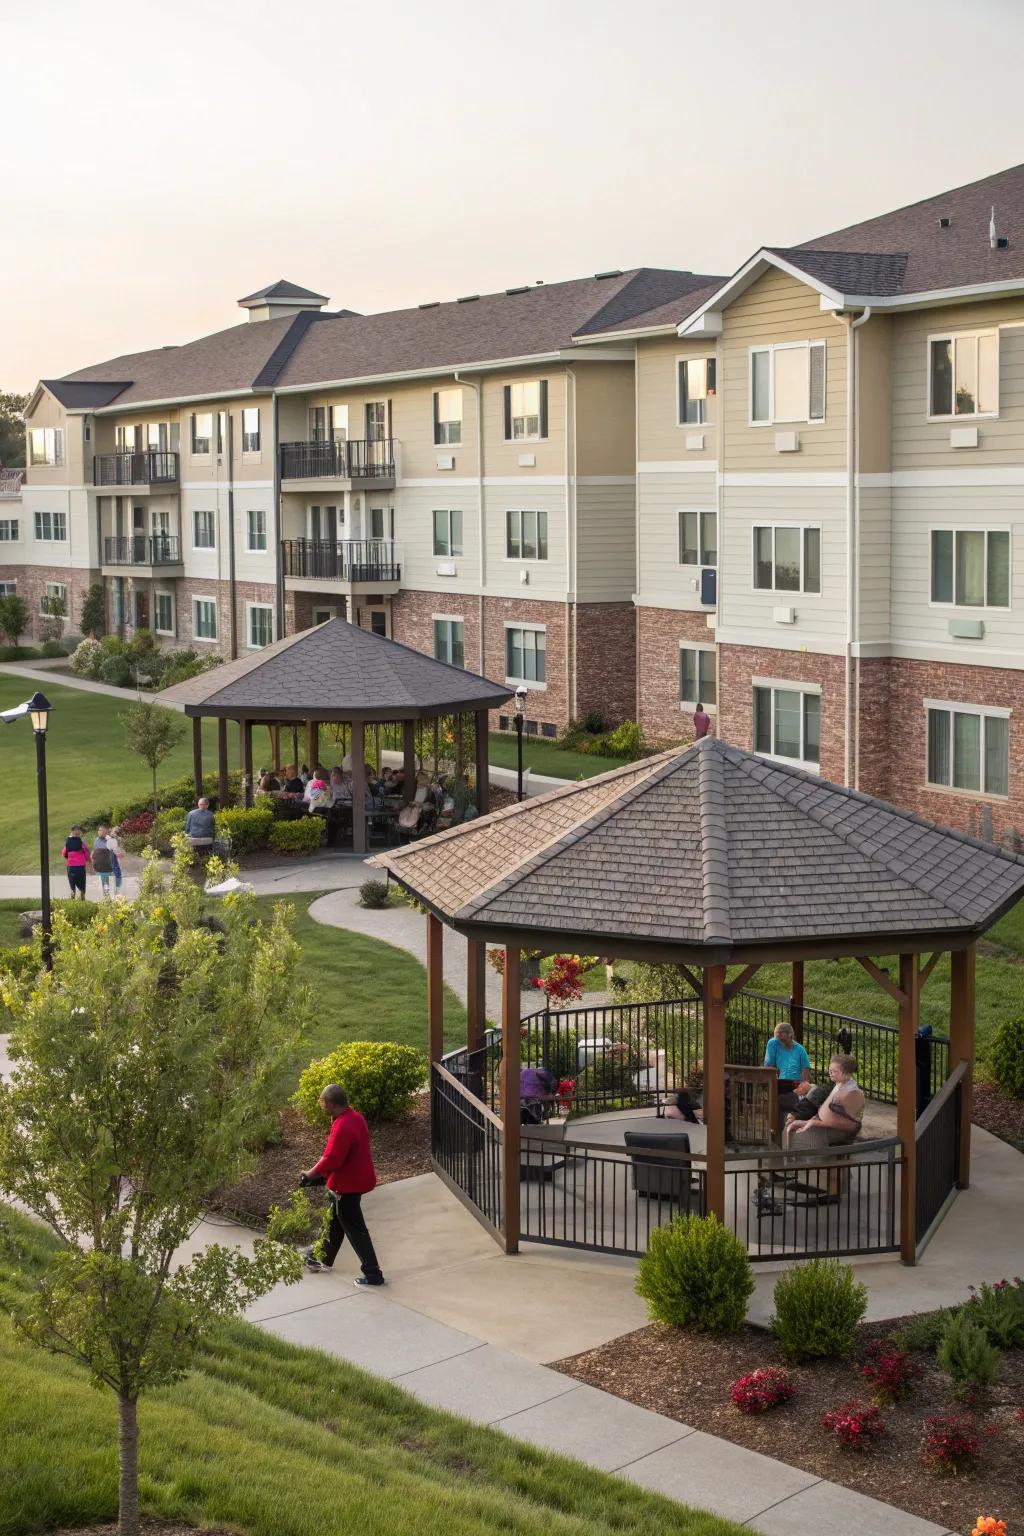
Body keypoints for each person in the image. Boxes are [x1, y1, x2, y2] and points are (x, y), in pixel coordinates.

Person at [300, 1084, 384, 1285]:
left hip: (346, 1187)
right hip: (356, 1180)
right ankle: (322, 1259)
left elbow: (332, 1158)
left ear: (330, 1103)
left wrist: (309, 1174)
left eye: (322, 1102)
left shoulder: (343, 1125)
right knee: (336, 1221)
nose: (321, 1106)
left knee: (356, 1230)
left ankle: (373, 1274)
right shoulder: (355, 1118)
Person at [782, 1054, 864, 1150]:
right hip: (824, 1125)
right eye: (830, 1070)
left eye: (834, 1071)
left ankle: (809, 1163)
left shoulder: (853, 1093)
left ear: (845, 1073)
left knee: (804, 1136)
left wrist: (813, 1123)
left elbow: (853, 1126)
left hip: (837, 1131)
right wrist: (810, 1121)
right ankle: (790, 1160)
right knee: (789, 1127)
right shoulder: (839, 1085)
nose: (830, 1073)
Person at [764, 1022, 812, 1114]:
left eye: (783, 1040)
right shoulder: (773, 1043)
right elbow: (768, 1066)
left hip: (795, 1086)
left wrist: (803, 1088)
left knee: (787, 1100)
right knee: (776, 1094)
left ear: (791, 1036)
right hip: (779, 1084)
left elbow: (806, 1072)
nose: (781, 1043)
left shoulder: (800, 1050)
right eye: (778, 1040)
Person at [62, 826, 90, 899]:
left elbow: (64, 853)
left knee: (72, 884)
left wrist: (69, 857)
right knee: (81, 883)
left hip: (71, 866)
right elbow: (86, 852)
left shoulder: (67, 842)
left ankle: (72, 899)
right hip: (80, 866)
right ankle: (82, 899)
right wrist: (87, 860)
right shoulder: (81, 843)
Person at [91, 828, 115, 897]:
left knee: (106, 882)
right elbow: (95, 851)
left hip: (106, 865)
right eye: (99, 831)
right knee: (102, 882)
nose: (100, 832)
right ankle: (105, 897)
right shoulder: (97, 840)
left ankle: (107, 897)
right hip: (98, 865)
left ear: (106, 832)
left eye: (102, 831)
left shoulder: (109, 840)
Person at [104, 824, 124, 895]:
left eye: (115, 832)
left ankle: (117, 889)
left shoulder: (117, 839)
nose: (113, 833)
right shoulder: (109, 838)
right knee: (111, 872)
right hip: (111, 857)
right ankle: (110, 888)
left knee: (116, 872)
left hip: (115, 856)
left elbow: (118, 849)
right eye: (113, 831)